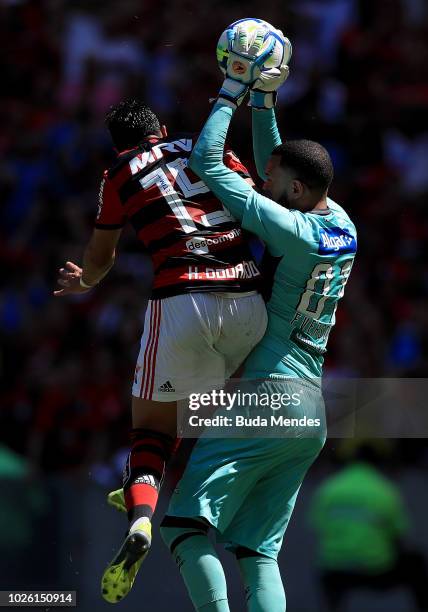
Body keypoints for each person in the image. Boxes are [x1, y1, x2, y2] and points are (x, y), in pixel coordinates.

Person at [158, 24, 357, 611]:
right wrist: (267, 102)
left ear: (295, 190)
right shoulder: (338, 221)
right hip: (309, 407)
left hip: (266, 394)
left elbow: (208, 164)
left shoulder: (292, 234)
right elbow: (280, 161)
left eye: (271, 182)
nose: (261, 182)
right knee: (256, 550)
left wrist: (231, 92)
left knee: (183, 527)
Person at [53, 98, 268, 603]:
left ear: (117, 145)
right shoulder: (200, 144)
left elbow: (100, 258)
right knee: (208, 412)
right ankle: (179, 494)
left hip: (182, 301)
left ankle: (142, 514)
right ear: (162, 129)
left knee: (152, 429)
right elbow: (256, 201)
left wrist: (86, 281)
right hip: (248, 297)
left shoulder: (118, 174)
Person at [309, 442, 428, 612]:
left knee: (326, 566)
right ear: (377, 463)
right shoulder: (384, 489)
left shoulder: (329, 488)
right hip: (375, 568)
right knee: (417, 562)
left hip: (335, 567)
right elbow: (399, 534)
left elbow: (319, 526)